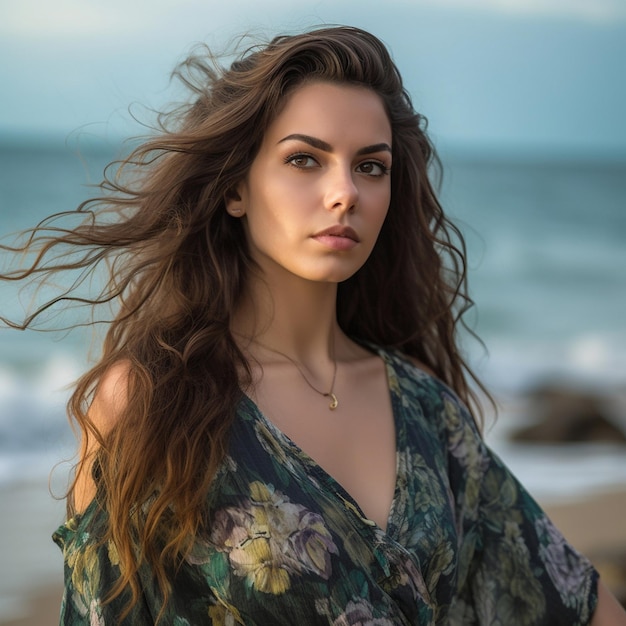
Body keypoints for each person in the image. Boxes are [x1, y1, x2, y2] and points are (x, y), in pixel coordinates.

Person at [2, 25, 624, 625]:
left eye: (371, 167)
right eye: (305, 159)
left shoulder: (427, 410)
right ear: (236, 189)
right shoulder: (149, 403)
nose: (344, 192)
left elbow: (581, 603)